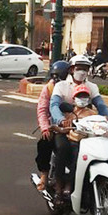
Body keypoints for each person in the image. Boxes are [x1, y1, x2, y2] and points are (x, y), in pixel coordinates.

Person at [49, 55, 108, 195]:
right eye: (79, 68)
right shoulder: (61, 86)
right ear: (71, 69)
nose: (82, 71)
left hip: (85, 130)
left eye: (85, 68)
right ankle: (59, 184)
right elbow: (54, 105)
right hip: (65, 129)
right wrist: (61, 120)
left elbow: (101, 106)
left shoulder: (91, 87)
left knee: (84, 152)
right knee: (63, 148)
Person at [34, 60, 69, 192]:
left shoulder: (75, 87)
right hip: (55, 126)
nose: (57, 79)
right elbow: (42, 109)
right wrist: (45, 127)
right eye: (54, 76)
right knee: (44, 143)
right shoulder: (49, 88)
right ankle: (44, 174)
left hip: (76, 126)